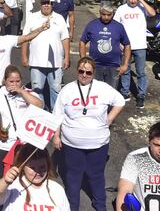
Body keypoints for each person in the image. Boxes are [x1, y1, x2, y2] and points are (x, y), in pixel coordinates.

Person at [52, 57, 126, 211]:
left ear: (93, 73)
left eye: (88, 72)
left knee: (96, 176)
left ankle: (100, 206)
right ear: (76, 71)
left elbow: (120, 101)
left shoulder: (103, 88)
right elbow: (57, 115)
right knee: (73, 178)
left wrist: (110, 118)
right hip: (72, 144)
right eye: (81, 71)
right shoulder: (67, 90)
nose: (84, 75)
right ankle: (72, 207)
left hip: (98, 144)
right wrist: (56, 136)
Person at [0, 66, 44, 174]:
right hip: (2, 144)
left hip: (24, 144)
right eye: (11, 81)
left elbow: (39, 105)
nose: (15, 84)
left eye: (18, 81)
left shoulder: (28, 93)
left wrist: (21, 92)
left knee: (23, 177)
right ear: (5, 81)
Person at [0, 19, 49, 100]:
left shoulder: (7, 40)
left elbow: (26, 38)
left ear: (0, 29)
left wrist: (41, 28)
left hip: (5, 84)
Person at [22, 0, 70, 110]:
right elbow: (25, 38)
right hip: (36, 62)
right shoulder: (32, 17)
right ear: (40, 4)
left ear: (52, 4)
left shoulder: (59, 18)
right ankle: (40, 115)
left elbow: (65, 39)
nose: (46, 5)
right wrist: (24, 56)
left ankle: (56, 115)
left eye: (49, 3)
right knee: (37, 92)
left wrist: (67, 57)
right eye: (44, 3)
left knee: (56, 91)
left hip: (56, 63)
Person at [0, 145, 70, 211]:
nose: (38, 172)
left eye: (42, 167)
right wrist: (5, 181)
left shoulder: (57, 189)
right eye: (33, 168)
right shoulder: (14, 185)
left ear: (48, 165)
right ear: (23, 166)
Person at [114, 0, 156, 109]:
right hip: (125, 45)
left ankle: (141, 95)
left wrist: (141, 0)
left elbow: (153, 13)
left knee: (141, 72)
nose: (133, 1)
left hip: (140, 45)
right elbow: (116, 26)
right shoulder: (121, 9)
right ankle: (125, 92)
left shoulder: (142, 7)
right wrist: (118, 42)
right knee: (125, 69)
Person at [79, 3, 132, 94]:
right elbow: (82, 42)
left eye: (109, 15)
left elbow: (127, 45)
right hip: (95, 66)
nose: (106, 17)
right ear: (100, 12)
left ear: (113, 14)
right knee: (93, 94)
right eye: (104, 14)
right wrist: (83, 61)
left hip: (113, 67)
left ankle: (109, 109)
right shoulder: (92, 25)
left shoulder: (119, 27)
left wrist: (125, 65)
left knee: (110, 94)